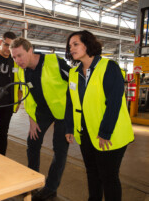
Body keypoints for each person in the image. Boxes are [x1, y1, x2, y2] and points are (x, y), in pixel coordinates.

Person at [65, 30, 134, 201]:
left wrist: (105, 132)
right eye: (69, 46)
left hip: (110, 134)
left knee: (108, 176)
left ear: (87, 44)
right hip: (86, 132)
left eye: (75, 44)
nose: (71, 48)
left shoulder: (108, 67)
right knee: (92, 173)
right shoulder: (74, 73)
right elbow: (70, 103)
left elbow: (115, 102)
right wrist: (69, 127)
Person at [10, 37, 70, 201]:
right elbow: (28, 97)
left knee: (60, 149)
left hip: (63, 112)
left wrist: (74, 117)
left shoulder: (54, 62)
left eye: (20, 55)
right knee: (33, 141)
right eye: (14, 57)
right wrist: (32, 119)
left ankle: (51, 187)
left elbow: (74, 82)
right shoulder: (22, 70)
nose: (18, 60)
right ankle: (32, 181)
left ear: (30, 50)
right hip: (42, 111)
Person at [0, 31, 22, 155]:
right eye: (6, 45)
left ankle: (1, 158)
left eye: (11, 46)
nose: (8, 49)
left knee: (2, 134)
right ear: (0, 42)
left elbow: (20, 84)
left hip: (7, 105)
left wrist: (18, 101)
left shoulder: (15, 61)